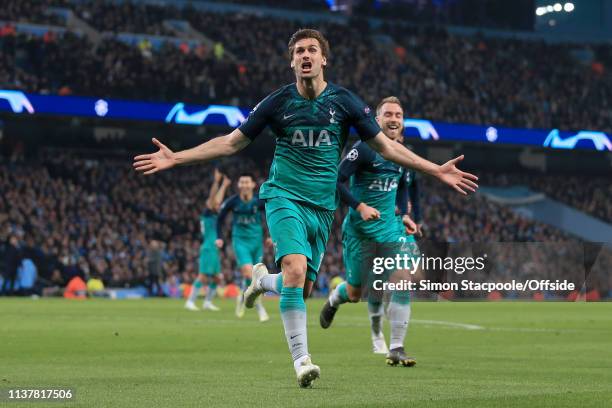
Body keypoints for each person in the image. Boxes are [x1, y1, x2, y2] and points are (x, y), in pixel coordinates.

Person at [133, 28, 477, 388]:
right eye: (299, 51)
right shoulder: (277, 103)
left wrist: (436, 169)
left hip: (322, 209)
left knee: (301, 287)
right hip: (283, 196)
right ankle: (302, 362)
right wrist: (178, 157)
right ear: (292, 61)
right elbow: (232, 142)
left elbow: (388, 148)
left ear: (324, 59)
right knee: (295, 271)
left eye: (312, 49)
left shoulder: (345, 103)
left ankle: (262, 281)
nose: (306, 55)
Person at [318, 96, 421, 366]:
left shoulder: (402, 154)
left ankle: (396, 346)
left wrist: (406, 214)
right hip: (360, 231)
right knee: (355, 293)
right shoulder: (363, 150)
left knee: (402, 279)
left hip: (390, 228)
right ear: (377, 120)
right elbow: (335, 181)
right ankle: (333, 299)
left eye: (398, 115)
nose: (394, 119)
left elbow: (401, 188)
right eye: (388, 114)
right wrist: (359, 205)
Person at [215, 173, 271, 321]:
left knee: (257, 274)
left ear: (253, 185)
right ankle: (259, 307)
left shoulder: (260, 201)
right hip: (240, 242)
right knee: (248, 273)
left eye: (247, 182)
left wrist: (271, 235)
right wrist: (219, 237)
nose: (245, 185)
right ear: (239, 185)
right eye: (242, 182)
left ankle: (242, 296)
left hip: (256, 242)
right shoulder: (233, 201)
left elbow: (271, 215)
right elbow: (219, 218)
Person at [185, 169, 231, 311]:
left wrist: (224, 185)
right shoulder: (208, 213)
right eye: (215, 203)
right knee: (204, 277)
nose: (218, 204)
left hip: (214, 249)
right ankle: (190, 301)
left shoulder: (215, 215)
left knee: (217, 278)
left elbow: (218, 201)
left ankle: (207, 302)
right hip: (208, 248)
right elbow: (213, 199)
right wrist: (217, 182)